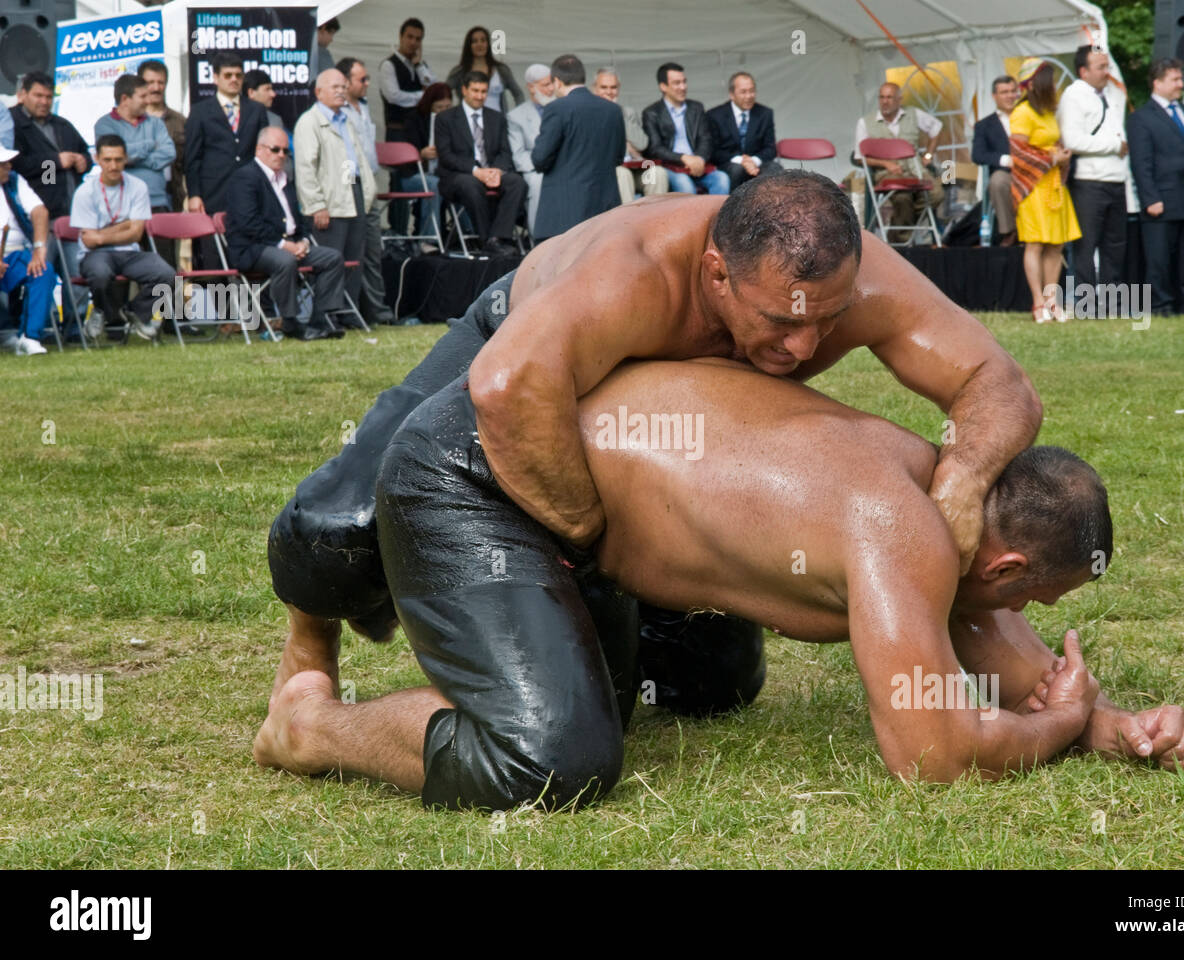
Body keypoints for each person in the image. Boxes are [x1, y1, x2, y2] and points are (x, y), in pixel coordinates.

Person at [262, 173, 1046, 785]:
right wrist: (588, 534)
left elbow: (997, 382)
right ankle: (306, 661)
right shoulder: (632, 277)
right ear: (715, 274)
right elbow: (508, 388)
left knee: (712, 682)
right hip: (519, 352)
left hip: (648, 436)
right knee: (340, 531)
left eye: (827, 321)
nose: (806, 347)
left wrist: (965, 481)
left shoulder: (846, 278)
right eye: (780, 323)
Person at [255, 348, 1184, 808]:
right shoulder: (899, 525)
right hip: (476, 468)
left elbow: (980, 629)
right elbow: (933, 758)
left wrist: (1115, 725)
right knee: (552, 761)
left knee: (714, 678)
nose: (1024, 620)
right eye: (1034, 598)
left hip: (578, 516)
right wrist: (1059, 725)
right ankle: (311, 723)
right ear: (1004, 561)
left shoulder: (937, 495)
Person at [225, 127, 347, 342]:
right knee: (285, 260)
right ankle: (290, 321)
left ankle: (320, 321)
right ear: (259, 150)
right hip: (252, 249)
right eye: (275, 149)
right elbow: (248, 224)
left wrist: (303, 241)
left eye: (285, 151)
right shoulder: (244, 177)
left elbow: (299, 220)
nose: (281, 155)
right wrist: (284, 245)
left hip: (288, 246)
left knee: (332, 258)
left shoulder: (285, 179)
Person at [1127, 59, 1184, 316]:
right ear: (1157, 83)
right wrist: (1150, 198)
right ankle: (1161, 304)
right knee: (1160, 258)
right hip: (1162, 199)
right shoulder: (1141, 118)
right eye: (1175, 79)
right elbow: (1141, 164)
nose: (1181, 84)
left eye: (1180, 78)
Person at [68, 135, 174, 342]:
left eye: (118, 159)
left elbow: (136, 234)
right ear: (97, 159)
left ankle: (134, 311)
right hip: (95, 255)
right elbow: (89, 242)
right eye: (107, 160)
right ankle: (99, 311)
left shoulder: (138, 186)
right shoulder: (85, 192)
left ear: (126, 159)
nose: (113, 166)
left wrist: (102, 234)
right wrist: (124, 226)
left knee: (167, 274)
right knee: (100, 274)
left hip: (130, 252)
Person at [294, 69, 375, 314]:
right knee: (333, 259)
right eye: (335, 87)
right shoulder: (309, 121)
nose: (341, 91)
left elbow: (360, 159)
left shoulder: (346, 119)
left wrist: (369, 192)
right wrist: (316, 204)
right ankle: (327, 315)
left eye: (343, 86)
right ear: (319, 92)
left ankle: (349, 314)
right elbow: (305, 168)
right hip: (328, 201)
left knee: (354, 259)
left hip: (353, 191)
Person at [1010, 58, 1081, 323]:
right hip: (1032, 187)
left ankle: (1052, 301)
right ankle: (1038, 302)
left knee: (1056, 244)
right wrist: (1052, 159)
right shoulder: (1022, 113)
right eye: (1049, 80)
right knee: (1035, 243)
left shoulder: (1048, 113)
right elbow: (1018, 153)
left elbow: (1055, 141)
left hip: (1052, 185)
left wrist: (1063, 154)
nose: (1053, 85)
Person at [1058, 45, 1129, 295]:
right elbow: (1072, 140)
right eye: (1100, 67)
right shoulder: (1073, 95)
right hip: (1088, 181)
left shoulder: (1115, 94)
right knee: (1086, 245)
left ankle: (1113, 301)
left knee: (1115, 244)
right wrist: (1114, 145)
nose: (1106, 72)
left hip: (1117, 179)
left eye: (1107, 66)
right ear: (1083, 71)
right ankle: (1085, 302)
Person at [529, 55, 624, 242]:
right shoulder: (612, 110)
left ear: (556, 81)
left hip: (563, 215)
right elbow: (618, 157)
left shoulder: (556, 109)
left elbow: (540, 159)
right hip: (605, 211)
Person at [434, 71, 525, 256]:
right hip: (459, 176)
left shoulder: (496, 117)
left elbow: (505, 151)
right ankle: (485, 239)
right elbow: (446, 156)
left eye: (484, 91)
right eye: (475, 91)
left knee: (517, 182)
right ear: (464, 90)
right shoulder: (445, 119)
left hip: (490, 172)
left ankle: (498, 238)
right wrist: (476, 171)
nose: (480, 96)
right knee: (471, 184)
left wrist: (496, 172)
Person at [338, 56, 397, 327]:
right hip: (349, 186)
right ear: (346, 81)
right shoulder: (337, 112)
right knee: (354, 252)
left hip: (369, 185)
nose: (367, 84)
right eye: (362, 79)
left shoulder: (363, 106)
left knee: (373, 250)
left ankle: (377, 311)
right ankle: (351, 312)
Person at [854, 82, 945, 242]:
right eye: (881, 97)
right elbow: (859, 157)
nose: (885, 101)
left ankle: (897, 233)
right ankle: (902, 242)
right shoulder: (865, 122)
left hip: (916, 168)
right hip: (887, 172)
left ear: (899, 99)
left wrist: (928, 155)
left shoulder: (914, 114)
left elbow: (937, 128)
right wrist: (885, 164)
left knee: (936, 194)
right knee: (903, 198)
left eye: (889, 97)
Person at [184, 53, 268, 218]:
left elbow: (264, 152)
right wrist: (194, 194)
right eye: (228, 75)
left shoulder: (257, 110)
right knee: (212, 243)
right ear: (216, 78)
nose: (233, 79)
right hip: (213, 193)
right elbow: (192, 158)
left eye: (238, 75)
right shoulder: (199, 112)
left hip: (250, 191)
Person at [10, 71, 90, 220]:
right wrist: (55, 161)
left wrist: (84, 161)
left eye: (48, 97)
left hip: (76, 210)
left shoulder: (61, 124)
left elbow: (85, 152)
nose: (44, 102)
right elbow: (16, 164)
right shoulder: (11, 123)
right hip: (39, 214)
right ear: (23, 95)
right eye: (38, 96)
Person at [0, 145, 56, 356]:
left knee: (43, 270)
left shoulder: (14, 180)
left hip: (14, 253)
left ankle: (30, 337)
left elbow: (39, 210)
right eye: (3, 164)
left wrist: (39, 248)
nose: (9, 166)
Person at [94, 74, 176, 213]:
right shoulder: (104, 125)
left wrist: (132, 160)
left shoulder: (156, 123)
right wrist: (150, 145)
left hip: (157, 202)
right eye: (143, 96)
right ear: (125, 99)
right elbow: (116, 156)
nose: (148, 101)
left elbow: (169, 153)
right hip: (122, 204)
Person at [643, 63, 729, 196]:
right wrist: (683, 158)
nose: (683, 87)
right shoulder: (652, 113)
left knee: (722, 179)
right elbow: (655, 148)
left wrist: (699, 159)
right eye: (677, 83)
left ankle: (717, 217)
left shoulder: (696, 108)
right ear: (663, 86)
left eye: (684, 82)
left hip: (698, 165)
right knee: (685, 185)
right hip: (670, 166)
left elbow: (706, 138)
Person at [593, 68, 669, 204]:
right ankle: (628, 222)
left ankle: (653, 220)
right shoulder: (590, 114)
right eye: (604, 87)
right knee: (622, 174)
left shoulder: (627, 112)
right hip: (608, 173)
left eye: (613, 87)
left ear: (619, 89)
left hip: (634, 169)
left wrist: (618, 113)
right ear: (594, 89)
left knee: (657, 173)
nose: (609, 92)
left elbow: (642, 144)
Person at [399, 83, 455, 246]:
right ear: (429, 104)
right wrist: (420, 154)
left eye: (447, 106)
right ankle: (429, 240)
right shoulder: (414, 119)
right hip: (414, 175)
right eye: (439, 107)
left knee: (464, 184)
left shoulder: (454, 120)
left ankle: (469, 236)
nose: (443, 111)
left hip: (442, 173)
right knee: (433, 184)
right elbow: (403, 152)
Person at [706, 71, 782, 188]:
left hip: (757, 163)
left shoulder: (765, 113)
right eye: (743, 92)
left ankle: (770, 206)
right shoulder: (715, 115)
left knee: (775, 169)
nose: (749, 96)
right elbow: (713, 151)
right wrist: (742, 161)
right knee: (737, 170)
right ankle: (733, 206)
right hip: (730, 163)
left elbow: (770, 148)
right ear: (731, 94)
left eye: (752, 91)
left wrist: (753, 161)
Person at [972, 75, 1020, 245]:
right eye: (1004, 92)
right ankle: (1009, 231)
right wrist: (1005, 160)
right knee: (998, 181)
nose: (1009, 96)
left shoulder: (1028, 116)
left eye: (1013, 91)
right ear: (994, 96)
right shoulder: (984, 125)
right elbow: (977, 155)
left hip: (1031, 170)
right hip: (1006, 173)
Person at [507, 63, 555, 234]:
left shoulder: (563, 108)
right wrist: (543, 166)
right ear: (531, 87)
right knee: (538, 183)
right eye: (545, 85)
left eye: (552, 83)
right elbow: (519, 156)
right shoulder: (516, 117)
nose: (551, 89)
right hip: (535, 169)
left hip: (562, 166)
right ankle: (539, 239)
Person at [138, 60, 187, 214]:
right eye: (150, 82)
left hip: (171, 194)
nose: (156, 88)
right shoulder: (131, 118)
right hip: (138, 192)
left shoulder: (180, 121)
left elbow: (189, 162)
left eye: (161, 82)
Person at [378, 18, 437, 143]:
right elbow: (394, 97)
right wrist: (423, 95)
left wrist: (419, 66)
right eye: (409, 37)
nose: (413, 42)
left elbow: (434, 89)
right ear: (400, 37)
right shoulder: (388, 65)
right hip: (398, 131)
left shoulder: (421, 65)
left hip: (420, 130)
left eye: (418, 39)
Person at [446, 25, 524, 114]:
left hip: (497, 123)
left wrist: (517, 116)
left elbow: (518, 94)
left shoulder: (501, 70)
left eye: (483, 40)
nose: (479, 44)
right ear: (469, 46)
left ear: (488, 44)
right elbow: (443, 93)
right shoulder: (459, 71)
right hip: (467, 124)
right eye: (475, 41)